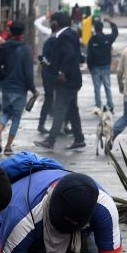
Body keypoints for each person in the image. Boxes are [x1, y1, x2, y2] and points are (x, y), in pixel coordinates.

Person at [34, 12, 86, 151]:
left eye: (53, 21)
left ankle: (50, 140)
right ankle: (79, 139)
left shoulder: (64, 37)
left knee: (59, 109)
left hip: (67, 81)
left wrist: (62, 72)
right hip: (74, 79)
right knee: (72, 110)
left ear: (57, 23)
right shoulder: (71, 33)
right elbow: (76, 55)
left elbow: (69, 54)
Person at [0, 21, 37, 155]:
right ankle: (8, 146)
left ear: (10, 32)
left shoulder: (4, 47)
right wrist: (33, 89)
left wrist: (3, 77)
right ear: (23, 33)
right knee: (16, 117)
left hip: (6, 86)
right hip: (20, 88)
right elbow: (28, 73)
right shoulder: (26, 49)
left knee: (6, 113)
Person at [87, 18, 119, 112]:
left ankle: (98, 105)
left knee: (97, 88)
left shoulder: (92, 40)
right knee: (107, 86)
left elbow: (89, 56)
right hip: (105, 66)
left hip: (95, 67)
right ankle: (110, 104)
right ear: (102, 28)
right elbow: (115, 32)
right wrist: (110, 22)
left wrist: (90, 67)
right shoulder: (107, 38)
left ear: (95, 29)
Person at [35, 13, 59, 134]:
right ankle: (56, 125)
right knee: (57, 99)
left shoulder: (48, 40)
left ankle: (42, 123)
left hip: (48, 74)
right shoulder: (55, 41)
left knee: (49, 99)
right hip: (52, 74)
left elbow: (42, 58)